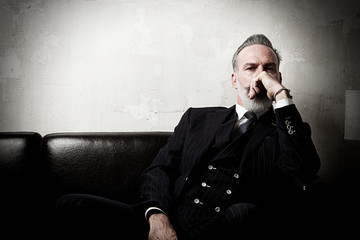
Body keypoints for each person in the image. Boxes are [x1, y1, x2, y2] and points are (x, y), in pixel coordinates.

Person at [53, 34, 320, 239]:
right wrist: (156, 214)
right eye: (251, 68)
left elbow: (303, 170)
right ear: (234, 78)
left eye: (269, 69)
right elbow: (159, 169)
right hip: (172, 219)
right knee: (72, 205)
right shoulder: (197, 118)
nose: (260, 77)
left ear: (279, 77)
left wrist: (282, 97)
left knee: (245, 213)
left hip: (226, 228)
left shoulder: (287, 128)